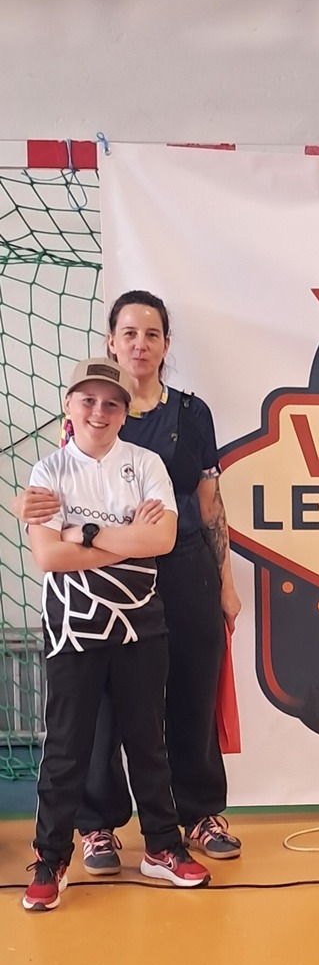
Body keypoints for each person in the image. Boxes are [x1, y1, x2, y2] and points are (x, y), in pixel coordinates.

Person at [14, 291, 243, 872]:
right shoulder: (89, 422)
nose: (141, 344)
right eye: (130, 333)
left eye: (152, 334)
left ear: (166, 344)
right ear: (111, 341)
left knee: (191, 692)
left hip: (184, 566)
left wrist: (225, 581)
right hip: (105, 578)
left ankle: (198, 813)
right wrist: (87, 533)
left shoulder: (191, 414)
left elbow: (210, 504)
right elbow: (54, 519)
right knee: (103, 709)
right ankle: (97, 825)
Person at [21, 357, 211, 910]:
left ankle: (162, 847)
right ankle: (51, 857)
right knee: (66, 749)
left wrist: (82, 531)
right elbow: (49, 556)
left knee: (148, 744)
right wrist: (123, 537)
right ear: (69, 406)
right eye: (88, 400)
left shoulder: (147, 464)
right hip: (72, 630)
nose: (98, 412)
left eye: (110, 403)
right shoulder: (48, 472)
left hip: (140, 627)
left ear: (125, 413)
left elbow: (161, 541)